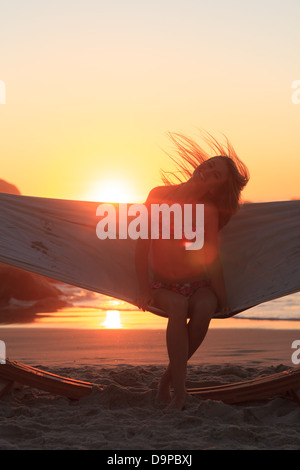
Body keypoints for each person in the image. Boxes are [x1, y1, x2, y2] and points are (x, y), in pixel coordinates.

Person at [135, 131, 249, 410]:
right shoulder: (158, 196)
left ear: (216, 188)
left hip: (197, 284)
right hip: (163, 285)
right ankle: (180, 392)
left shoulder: (207, 210)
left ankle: (167, 380)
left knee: (205, 306)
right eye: (209, 164)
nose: (207, 170)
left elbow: (211, 260)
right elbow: (141, 246)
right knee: (176, 307)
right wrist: (142, 288)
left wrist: (224, 299)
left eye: (216, 174)